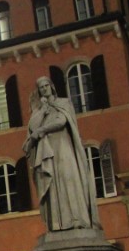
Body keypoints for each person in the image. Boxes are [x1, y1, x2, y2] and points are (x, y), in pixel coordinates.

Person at [22, 76, 99, 232]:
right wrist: (43, 111)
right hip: (48, 151)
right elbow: (32, 126)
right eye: (41, 88)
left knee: (68, 179)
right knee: (53, 185)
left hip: (63, 147)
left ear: (52, 86)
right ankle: (57, 223)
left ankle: (76, 219)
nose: (44, 89)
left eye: (46, 86)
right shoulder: (40, 109)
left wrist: (42, 130)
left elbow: (61, 121)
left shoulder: (63, 103)